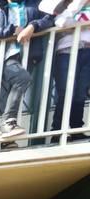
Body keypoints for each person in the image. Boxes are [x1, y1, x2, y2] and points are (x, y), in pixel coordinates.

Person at [0, 0, 41, 144]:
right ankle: (7, 123)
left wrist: (32, 26)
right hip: (6, 56)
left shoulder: (33, 6)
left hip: (27, 55)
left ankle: (6, 139)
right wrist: (11, 29)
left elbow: (48, 18)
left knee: (18, 86)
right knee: (22, 79)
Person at [43, 0, 90, 137]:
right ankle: (57, 130)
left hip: (87, 52)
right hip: (66, 51)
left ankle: (76, 129)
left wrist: (75, 26)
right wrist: (78, 4)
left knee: (80, 92)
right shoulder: (65, 6)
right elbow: (62, 22)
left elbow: (69, 25)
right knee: (67, 90)